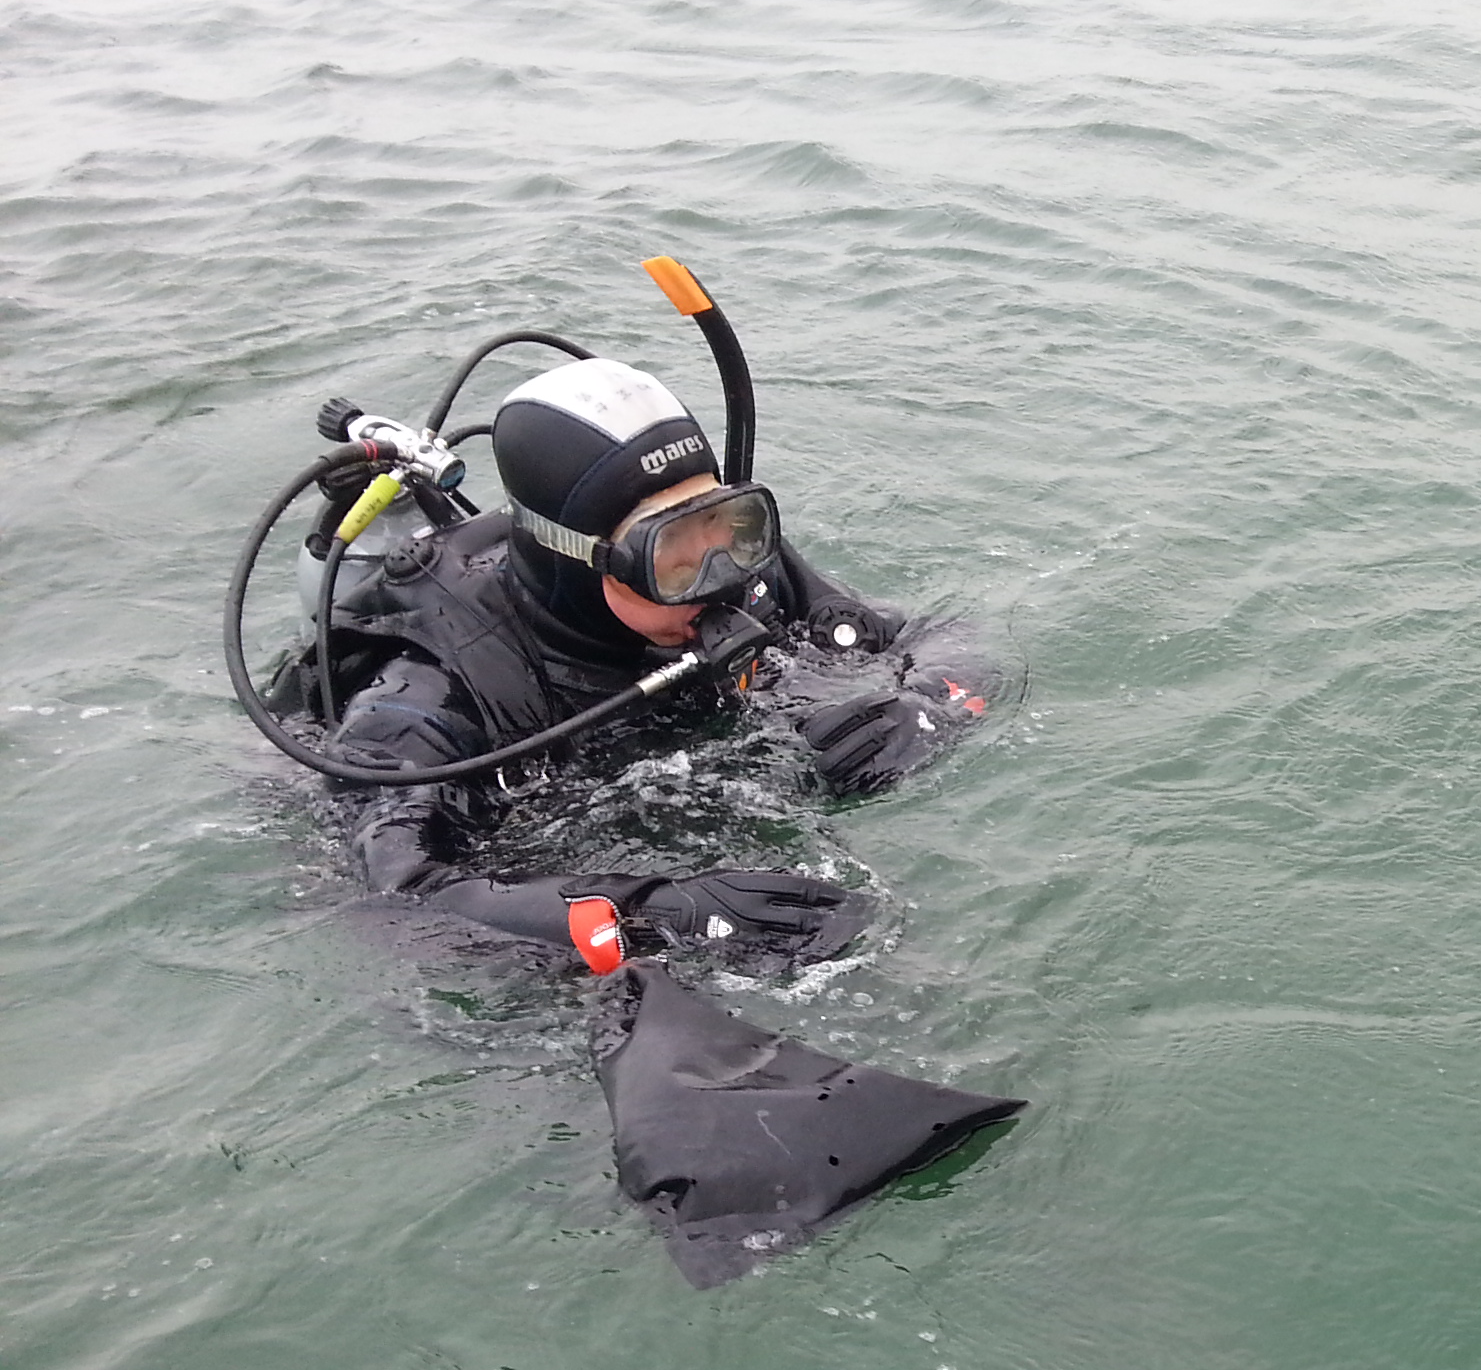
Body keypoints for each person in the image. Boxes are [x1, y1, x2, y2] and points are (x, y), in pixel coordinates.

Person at [308, 354, 987, 964]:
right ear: (580, 561)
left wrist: (928, 709)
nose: (721, 578)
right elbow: (397, 900)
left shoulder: (745, 571)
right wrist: (645, 915)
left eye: (726, 524)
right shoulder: (435, 689)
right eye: (672, 555)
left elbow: (953, 639)